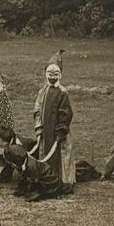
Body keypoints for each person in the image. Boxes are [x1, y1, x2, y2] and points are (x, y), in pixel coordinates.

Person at [33, 53, 75, 194]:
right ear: (45, 74)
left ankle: (64, 182)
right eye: (49, 73)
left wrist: (61, 130)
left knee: (61, 156)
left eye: (55, 74)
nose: (52, 77)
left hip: (58, 133)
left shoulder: (63, 93)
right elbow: (37, 109)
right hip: (46, 132)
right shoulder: (42, 91)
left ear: (60, 75)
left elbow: (66, 114)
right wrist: (39, 127)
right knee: (45, 154)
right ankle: (47, 179)